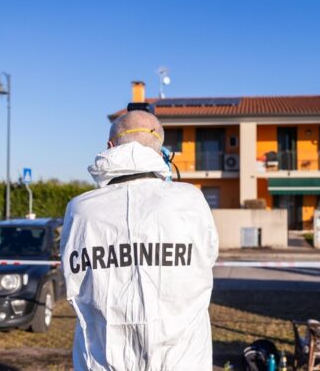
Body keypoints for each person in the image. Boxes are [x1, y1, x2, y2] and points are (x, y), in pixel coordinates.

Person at [60, 109, 219, 370]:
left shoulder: (80, 209)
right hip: (183, 359)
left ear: (110, 147)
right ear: (161, 153)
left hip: (103, 359)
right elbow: (207, 260)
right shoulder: (190, 201)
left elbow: (74, 279)